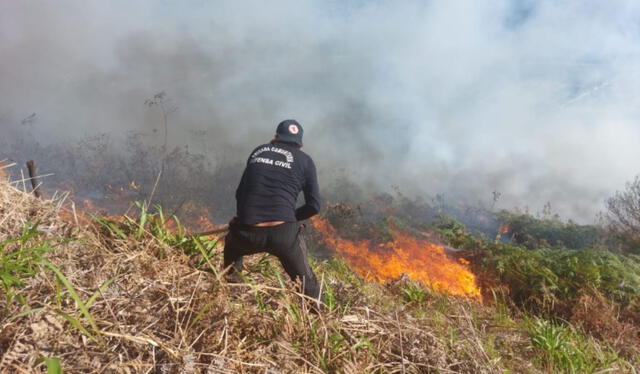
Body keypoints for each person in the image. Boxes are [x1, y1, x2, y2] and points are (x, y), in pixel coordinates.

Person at [223, 119, 322, 303]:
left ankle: (232, 297)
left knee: (231, 245)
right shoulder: (306, 161)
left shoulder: (258, 150)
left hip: (248, 233)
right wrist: (291, 218)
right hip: (283, 234)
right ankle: (321, 316)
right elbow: (314, 206)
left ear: (275, 138)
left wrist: (241, 219)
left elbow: (240, 193)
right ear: (299, 144)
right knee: (307, 284)